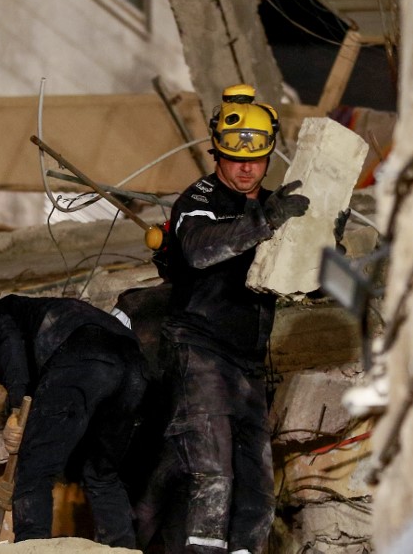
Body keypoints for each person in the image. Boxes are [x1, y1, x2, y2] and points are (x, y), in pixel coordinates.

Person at [142, 84, 310, 554]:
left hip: (249, 362)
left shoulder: (275, 205)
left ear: (268, 156)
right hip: (199, 349)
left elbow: (309, 280)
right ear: (216, 151)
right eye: (235, 157)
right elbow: (198, 250)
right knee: (212, 472)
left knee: (256, 490)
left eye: (255, 159)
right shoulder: (198, 199)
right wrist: (267, 221)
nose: (245, 167)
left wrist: (321, 251)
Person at [0, 294, 148, 548]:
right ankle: (123, 549)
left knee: (34, 469)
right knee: (102, 475)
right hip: (134, 370)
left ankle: (30, 548)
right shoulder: (50, 314)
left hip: (83, 356)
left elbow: (9, 345)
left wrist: (15, 407)